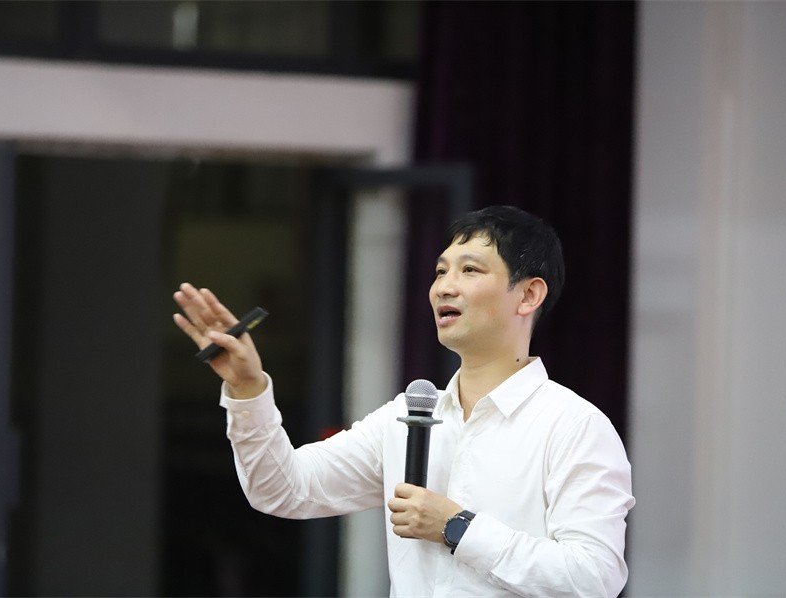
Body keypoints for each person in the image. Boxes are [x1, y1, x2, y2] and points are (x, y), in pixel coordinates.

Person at [172, 205, 634, 597]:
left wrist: (458, 527)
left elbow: (596, 576)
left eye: (470, 270)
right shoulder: (407, 415)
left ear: (529, 294)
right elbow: (283, 489)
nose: (444, 287)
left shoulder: (573, 425)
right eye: (440, 271)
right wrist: (248, 389)